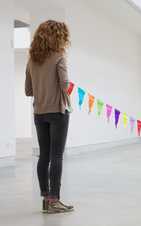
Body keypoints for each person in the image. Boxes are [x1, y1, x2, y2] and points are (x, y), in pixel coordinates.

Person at [25, 20, 74, 214]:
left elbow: (28, 90)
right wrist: (68, 86)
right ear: (59, 36)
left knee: (44, 155)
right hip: (58, 112)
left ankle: (46, 199)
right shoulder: (59, 55)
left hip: (39, 113)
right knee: (57, 156)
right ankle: (55, 201)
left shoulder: (32, 59)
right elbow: (65, 86)